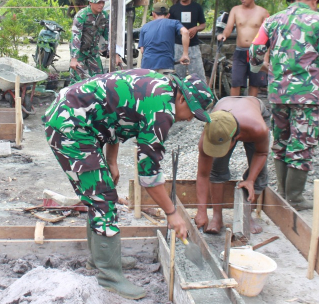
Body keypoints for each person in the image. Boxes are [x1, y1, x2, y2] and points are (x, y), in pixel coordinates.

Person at [43, 70, 215, 299]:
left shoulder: (160, 86)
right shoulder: (162, 111)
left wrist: (112, 160)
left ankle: (101, 260)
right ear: (182, 99)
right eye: (192, 113)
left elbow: (116, 112)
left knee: (99, 193)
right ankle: (109, 276)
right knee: (101, 197)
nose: (189, 119)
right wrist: (172, 213)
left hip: (76, 117)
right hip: (69, 125)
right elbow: (149, 174)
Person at [249, 0, 319, 210]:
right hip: (307, 94)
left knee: (281, 141)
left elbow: (256, 49)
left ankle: (282, 193)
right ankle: (295, 198)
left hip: (278, 92)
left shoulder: (273, 20)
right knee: (302, 143)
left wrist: (257, 66)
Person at [195, 96, 270, 235]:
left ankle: (248, 216)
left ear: (235, 139)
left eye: (222, 147)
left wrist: (250, 180)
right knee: (216, 169)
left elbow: (262, 153)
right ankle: (217, 217)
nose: (217, 151)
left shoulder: (258, 129)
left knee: (259, 174)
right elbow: (203, 174)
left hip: (253, 111)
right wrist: (202, 211)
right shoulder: (212, 130)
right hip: (225, 109)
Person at [217, 0, 270, 97]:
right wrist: (223, 35)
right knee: (236, 82)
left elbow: (267, 37)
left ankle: (251, 109)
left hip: (256, 51)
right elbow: (229, 28)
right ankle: (232, 110)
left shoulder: (263, 12)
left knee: (254, 84)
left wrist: (265, 58)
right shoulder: (235, 10)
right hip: (240, 51)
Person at [69, 0, 120, 83]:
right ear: (90, 2)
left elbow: (109, 36)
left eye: (103, 2)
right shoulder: (82, 15)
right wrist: (74, 58)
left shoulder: (104, 16)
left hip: (93, 52)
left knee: (99, 79)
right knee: (78, 81)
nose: (101, 5)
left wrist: (115, 54)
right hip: (80, 53)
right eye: (98, 2)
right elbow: (76, 37)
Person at [138, 2, 189, 72]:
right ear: (168, 15)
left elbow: (142, 50)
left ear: (153, 14)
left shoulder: (145, 27)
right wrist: (185, 54)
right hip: (166, 65)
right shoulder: (174, 23)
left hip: (147, 67)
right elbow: (185, 32)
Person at [169, 0, 206, 80]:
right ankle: (177, 94)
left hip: (193, 45)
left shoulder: (197, 7)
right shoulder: (173, 9)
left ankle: (199, 94)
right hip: (178, 45)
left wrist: (196, 28)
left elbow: (203, 24)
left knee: (198, 74)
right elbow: (169, 27)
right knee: (177, 75)